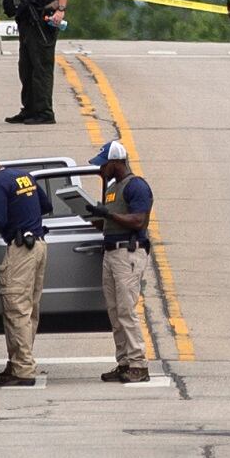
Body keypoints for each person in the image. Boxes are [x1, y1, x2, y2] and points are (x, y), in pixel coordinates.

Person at [0, 150, 51, 386]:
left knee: (16, 310)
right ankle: (18, 363)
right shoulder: (25, 176)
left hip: (20, 250)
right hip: (39, 246)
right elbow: (45, 206)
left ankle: (22, 370)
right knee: (29, 311)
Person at [85, 140, 153, 383]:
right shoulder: (113, 188)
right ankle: (124, 362)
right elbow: (109, 223)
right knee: (115, 311)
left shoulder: (136, 186)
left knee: (126, 309)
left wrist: (108, 214)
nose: (100, 170)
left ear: (116, 162)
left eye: (104, 165)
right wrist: (94, 216)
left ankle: (138, 364)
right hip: (111, 251)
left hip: (128, 252)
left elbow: (138, 221)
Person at [3, 0, 67, 124]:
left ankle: (44, 112)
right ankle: (29, 109)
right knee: (26, 67)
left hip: (40, 22)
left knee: (41, 67)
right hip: (28, 24)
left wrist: (61, 9)